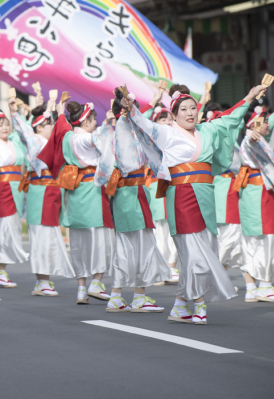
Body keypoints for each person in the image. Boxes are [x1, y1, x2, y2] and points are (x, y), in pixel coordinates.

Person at [121, 83, 264, 324]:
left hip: (205, 195)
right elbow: (145, 125)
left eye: (192, 108)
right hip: (181, 195)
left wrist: (249, 96)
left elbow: (231, 117)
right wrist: (132, 108)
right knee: (193, 251)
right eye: (183, 109)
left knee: (202, 247)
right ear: (174, 115)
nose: (190, 113)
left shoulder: (207, 130)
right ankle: (199, 303)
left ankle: (179, 304)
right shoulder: (167, 132)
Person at [39, 100, 115, 305]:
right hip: (92, 190)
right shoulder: (87, 138)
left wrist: (60, 113)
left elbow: (63, 127)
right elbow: (103, 141)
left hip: (74, 192)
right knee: (100, 238)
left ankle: (81, 288)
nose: (96, 123)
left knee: (78, 242)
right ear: (87, 121)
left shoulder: (67, 137)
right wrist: (109, 123)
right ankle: (96, 283)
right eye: (94, 120)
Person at [106, 90, 170, 313]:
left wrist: (150, 103)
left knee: (125, 247)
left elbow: (141, 121)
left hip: (125, 194)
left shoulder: (114, 132)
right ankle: (139, 297)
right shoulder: (123, 128)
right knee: (143, 246)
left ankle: (116, 296)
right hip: (132, 193)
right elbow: (134, 120)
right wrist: (127, 106)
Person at [9, 97, 75, 297]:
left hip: (53, 191)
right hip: (41, 192)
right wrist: (15, 114)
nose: (53, 127)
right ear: (39, 127)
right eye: (49, 124)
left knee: (51, 236)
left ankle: (44, 280)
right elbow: (25, 131)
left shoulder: (50, 142)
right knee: (41, 237)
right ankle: (41, 280)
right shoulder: (35, 140)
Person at [236, 99, 274, 303]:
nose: (269, 125)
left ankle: (251, 287)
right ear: (254, 125)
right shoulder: (251, 139)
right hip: (259, 193)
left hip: (252, 193)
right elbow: (251, 139)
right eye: (265, 122)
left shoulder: (256, 137)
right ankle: (265, 286)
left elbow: (257, 130)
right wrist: (252, 135)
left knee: (252, 240)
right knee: (266, 238)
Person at [0, 109, 29, 289]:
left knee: (12, 228)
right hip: (1, 190)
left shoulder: (14, 141)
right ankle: (0, 269)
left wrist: (17, 114)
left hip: (17, 190)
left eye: (6, 124)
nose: (4, 127)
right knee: (2, 229)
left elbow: (23, 131)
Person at [146, 106, 179, 284]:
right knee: (159, 228)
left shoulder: (177, 138)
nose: (167, 122)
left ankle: (171, 266)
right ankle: (159, 270)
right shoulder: (151, 140)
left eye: (169, 119)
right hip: (156, 185)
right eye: (162, 119)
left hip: (174, 183)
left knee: (173, 225)